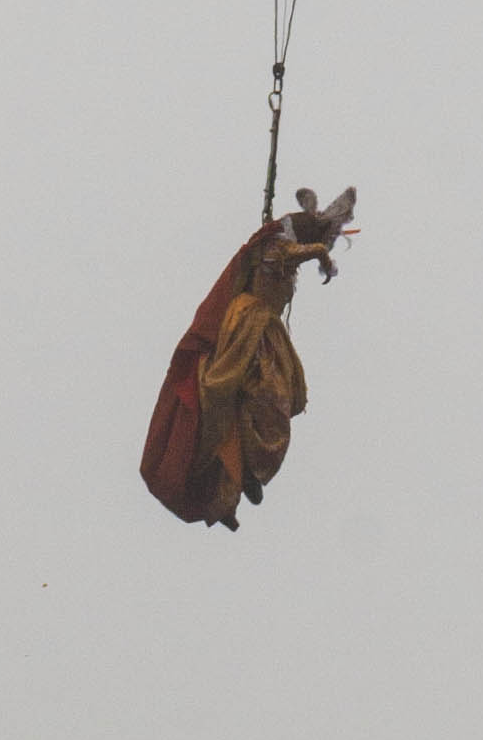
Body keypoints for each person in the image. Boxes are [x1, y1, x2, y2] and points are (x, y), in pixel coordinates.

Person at [141, 190, 354, 530]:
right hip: (247, 325)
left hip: (266, 331)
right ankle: (233, 473)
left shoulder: (278, 245)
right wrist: (321, 255)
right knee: (239, 388)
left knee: (282, 397)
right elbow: (296, 252)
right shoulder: (274, 244)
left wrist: (320, 253)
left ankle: (246, 470)